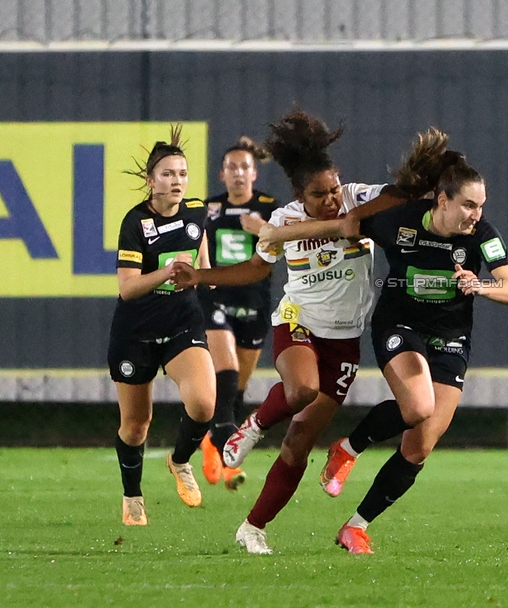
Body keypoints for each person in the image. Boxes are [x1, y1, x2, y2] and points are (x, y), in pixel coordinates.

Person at [253, 129, 508, 555]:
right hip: (400, 325)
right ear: (442, 200)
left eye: (481, 206)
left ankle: (355, 526)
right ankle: (350, 447)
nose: (476, 214)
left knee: (420, 446)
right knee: (418, 407)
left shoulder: (481, 235)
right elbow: (344, 226)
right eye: (468, 205)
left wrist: (482, 285)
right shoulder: (399, 220)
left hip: (452, 338)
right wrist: (270, 232)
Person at [171, 107, 407, 554]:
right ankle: (253, 425)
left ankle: (253, 526)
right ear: (300, 194)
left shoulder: (355, 198)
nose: (333, 198)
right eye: (320, 194)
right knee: (300, 391)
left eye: (335, 188)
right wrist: (200, 277)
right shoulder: (283, 221)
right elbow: (257, 269)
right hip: (298, 324)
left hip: (345, 341)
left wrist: (373, 204)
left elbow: (399, 194)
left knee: (300, 440)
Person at [108, 125, 216, 526]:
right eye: (168, 174)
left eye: (183, 174)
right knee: (136, 427)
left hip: (182, 323)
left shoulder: (196, 211)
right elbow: (127, 289)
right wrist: (169, 271)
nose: (177, 181)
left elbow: (202, 258)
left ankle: (180, 460)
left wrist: (205, 275)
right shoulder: (136, 223)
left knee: (204, 403)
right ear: (150, 181)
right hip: (135, 332)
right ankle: (132, 495)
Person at [197, 137, 279, 492]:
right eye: (231, 167)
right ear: (222, 174)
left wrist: (263, 230)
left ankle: (211, 443)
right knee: (225, 371)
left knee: (236, 390)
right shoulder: (208, 209)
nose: (238, 174)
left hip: (255, 303)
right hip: (215, 299)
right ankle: (226, 449)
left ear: (254, 173)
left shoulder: (270, 207)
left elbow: (292, 242)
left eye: (244, 167)